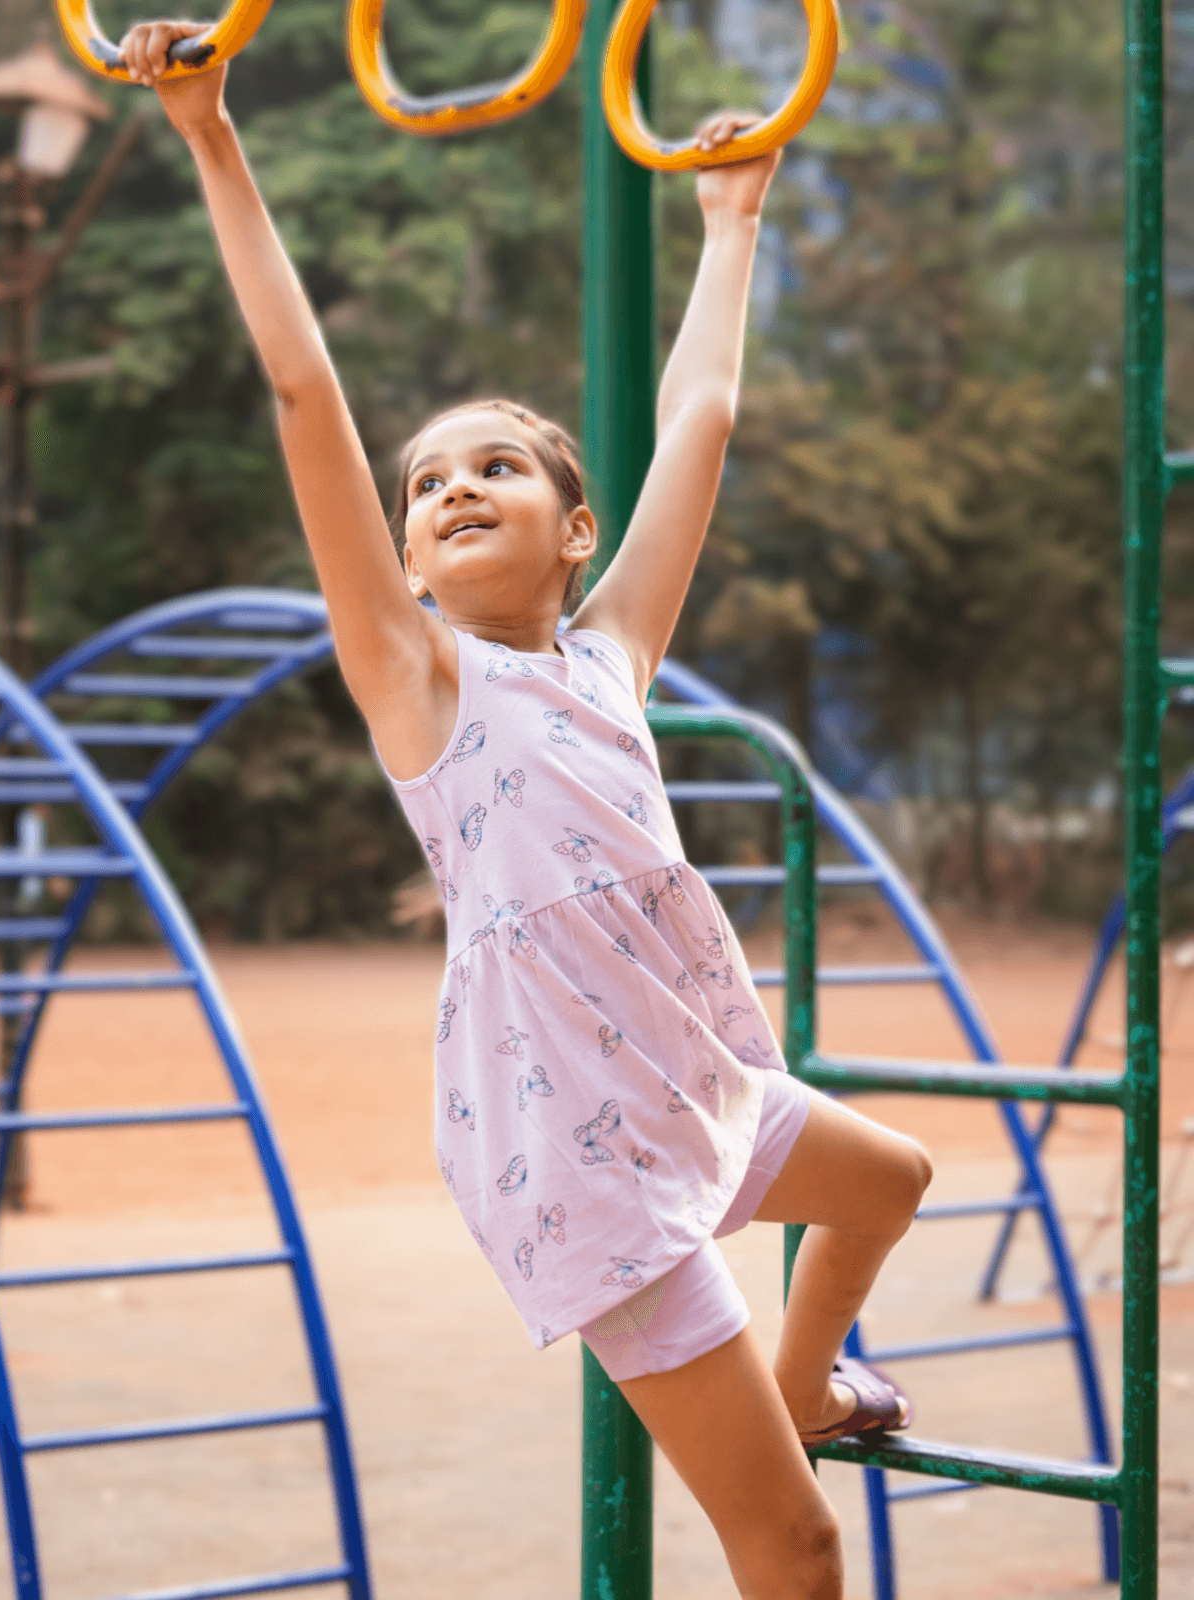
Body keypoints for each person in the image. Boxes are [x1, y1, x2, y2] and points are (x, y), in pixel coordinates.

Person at [117, 23, 933, 1597]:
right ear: (407, 561)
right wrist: (212, 136)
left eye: (502, 467)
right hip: (582, 1152)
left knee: (887, 1178)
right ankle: (792, 1432)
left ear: (577, 534)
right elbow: (302, 392)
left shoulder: (609, 659)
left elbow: (696, 424)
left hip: (692, 1084)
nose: (456, 488)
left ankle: (808, 1383)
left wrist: (734, 219)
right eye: (430, 484)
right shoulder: (418, 685)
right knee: (793, 1545)